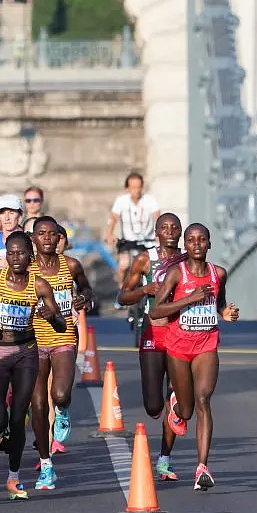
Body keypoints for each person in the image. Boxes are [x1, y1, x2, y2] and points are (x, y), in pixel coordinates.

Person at [0, 231, 66, 500]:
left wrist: (51, 316)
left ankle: (14, 477)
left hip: (26, 352)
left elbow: (61, 324)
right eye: (11, 253)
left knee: (17, 419)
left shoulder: (39, 286)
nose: (16, 258)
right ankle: (0, 430)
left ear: (30, 256)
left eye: (21, 253)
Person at [149, 223, 239, 491]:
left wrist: (226, 313)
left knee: (203, 400)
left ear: (209, 244)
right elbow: (156, 311)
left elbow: (219, 303)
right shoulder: (177, 274)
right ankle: (176, 405)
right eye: (191, 240)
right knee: (186, 411)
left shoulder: (218, 273)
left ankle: (202, 468)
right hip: (178, 347)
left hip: (206, 345)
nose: (197, 244)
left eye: (202, 240)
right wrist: (189, 299)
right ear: (185, 245)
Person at [28, 216, 95, 490]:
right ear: (33, 239)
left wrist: (84, 298)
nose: (46, 238)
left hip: (63, 336)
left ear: (59, 238)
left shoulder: (71, 266)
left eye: (51, 234)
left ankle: (64, 409)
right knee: (38, 406)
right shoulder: (25, 269)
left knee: (59, 394)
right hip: (32, 341)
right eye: (40, 233)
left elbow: (87, 289)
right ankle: (46, 465)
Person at [117, 213, 185, 480]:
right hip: (153, 329)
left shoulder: (187, 258)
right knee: (153, 406)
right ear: (156, 232)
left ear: (180, 232)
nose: (169, 231)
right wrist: (145, 291)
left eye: (174, 227)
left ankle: (165, 459)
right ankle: (166, 402)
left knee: (174, 396)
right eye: (164, 227)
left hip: (182, 331)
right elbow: (123, 296)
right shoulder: (145, 259)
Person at [105, 172, 161, 286]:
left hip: (148, 241)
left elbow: (158, 218)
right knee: (124, 265)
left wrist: (159, 235)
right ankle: (121, 290)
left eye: (139, 187)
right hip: (128, 240)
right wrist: (109, 234)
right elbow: (113, 219)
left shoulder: (150, 200)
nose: (137, 190)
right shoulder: (121, 201)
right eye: (133, 187)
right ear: (127, 188)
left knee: (154, 266)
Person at [0, 194, 24, 268]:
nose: (7, 218)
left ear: (20, 215)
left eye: (11, 212)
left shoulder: (28, 241)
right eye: (2, 213)